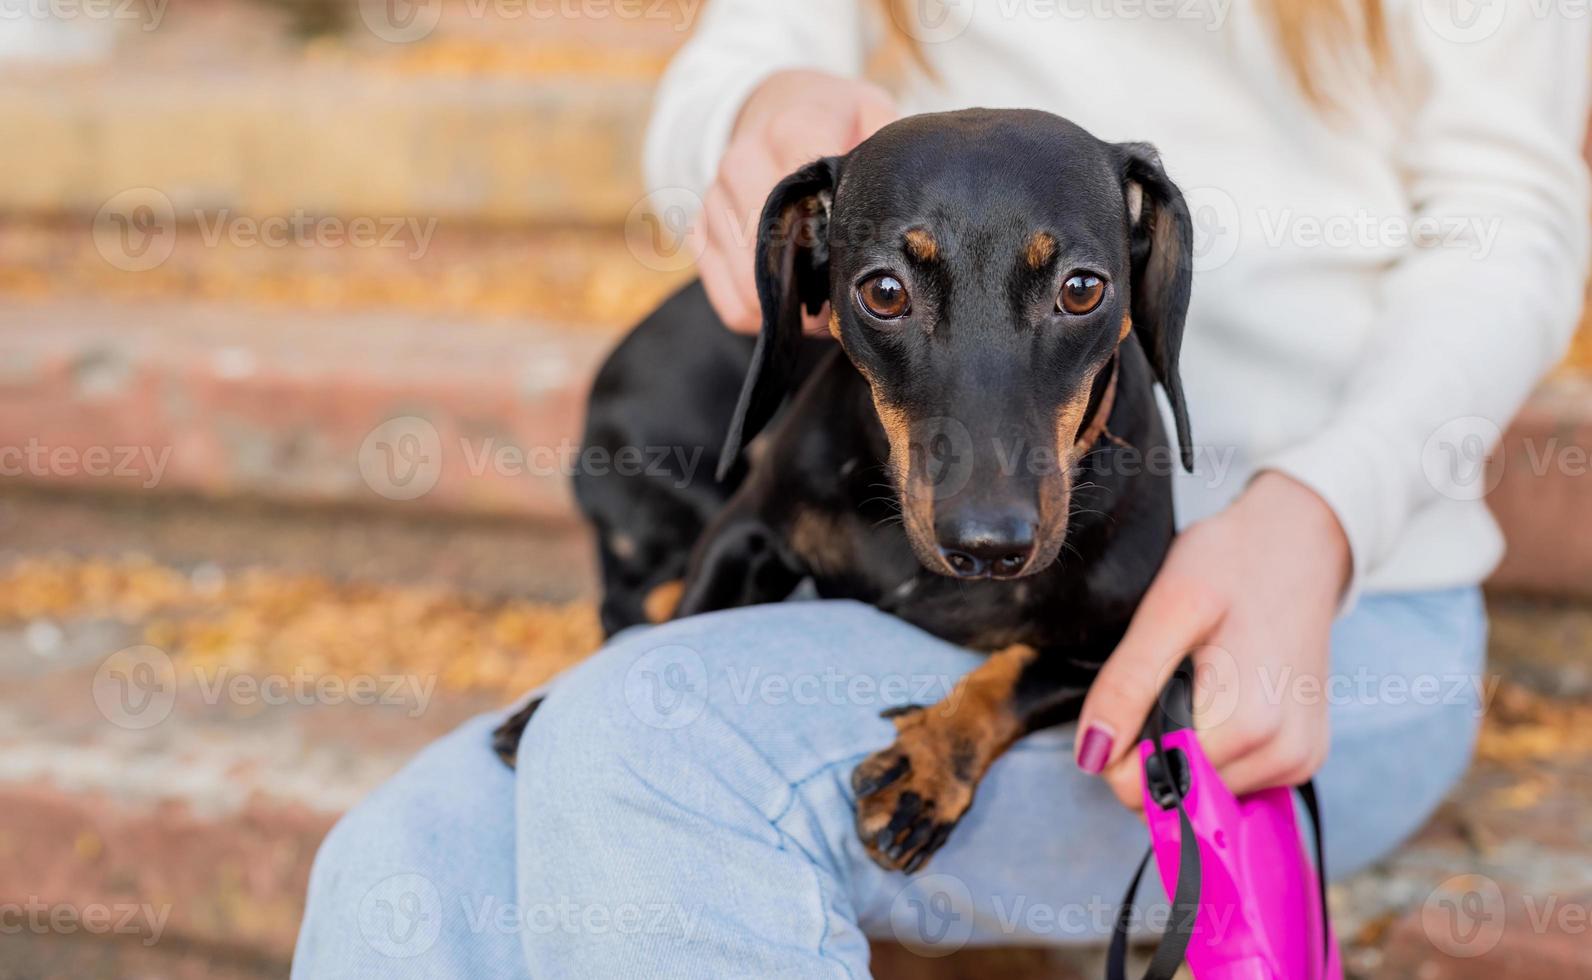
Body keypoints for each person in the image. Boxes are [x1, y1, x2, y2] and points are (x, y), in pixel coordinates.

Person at [293, 2, 1589, 976]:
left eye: (1085, 290)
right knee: (400, 855)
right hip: (900, 610)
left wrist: (1324, 513)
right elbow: (750, 58)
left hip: (1328, 627)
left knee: (648, 753)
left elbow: (1511, 218)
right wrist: (750, 112)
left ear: (1140, 283)